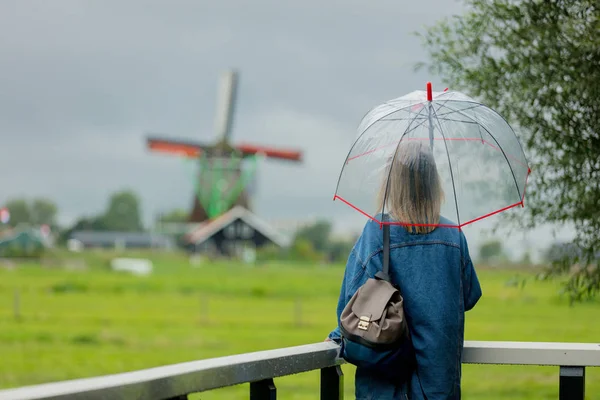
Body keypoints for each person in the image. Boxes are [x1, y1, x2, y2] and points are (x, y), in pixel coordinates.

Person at [327, 141, 482, 399]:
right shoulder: (453, 237)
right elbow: (468, 297)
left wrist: (335, 337)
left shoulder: (376, 232)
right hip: (438, 388)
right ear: (434, 183)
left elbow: (350, 305)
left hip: (383, 388)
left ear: (392, 183)